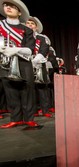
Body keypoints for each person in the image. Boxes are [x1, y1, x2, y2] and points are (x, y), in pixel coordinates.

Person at [0, 0, 40, 129]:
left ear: (19, 12)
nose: (9, 8)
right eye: (6, 6)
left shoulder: (27, 29)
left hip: (23, 62)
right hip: (4, 62)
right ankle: (15, 118)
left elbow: (30, 50)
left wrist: (15, 50)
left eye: (13, 7)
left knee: (27, 90)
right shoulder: (0, 25)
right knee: (10, 90)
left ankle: (29, 119)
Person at [25, 16, 53, 118]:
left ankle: (45, 110)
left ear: (36, 27)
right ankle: (33, 111)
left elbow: (44, 49)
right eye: (28, 23)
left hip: (40, 63)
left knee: (42, 88)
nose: (30, 25)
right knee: (28, 89)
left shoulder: (42, 38)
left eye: (32, 24)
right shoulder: (23, 37)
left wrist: (35, 60)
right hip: (26, 64)